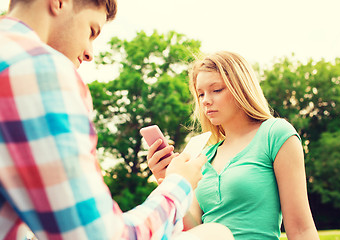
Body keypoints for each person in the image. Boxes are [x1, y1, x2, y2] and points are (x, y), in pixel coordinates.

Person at [0, 0, 234, 239]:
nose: (90, 53)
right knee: (217, 233)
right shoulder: (38, 69)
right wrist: (178, 184)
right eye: (91, 31)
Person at [147, 51, 320, 240]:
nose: (205, 100)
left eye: (217, 90)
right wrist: (169, 181)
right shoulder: (204, 156)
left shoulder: (275, 134)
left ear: (241, 88)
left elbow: (301, 230)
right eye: (201, 94)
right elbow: (194, 228)